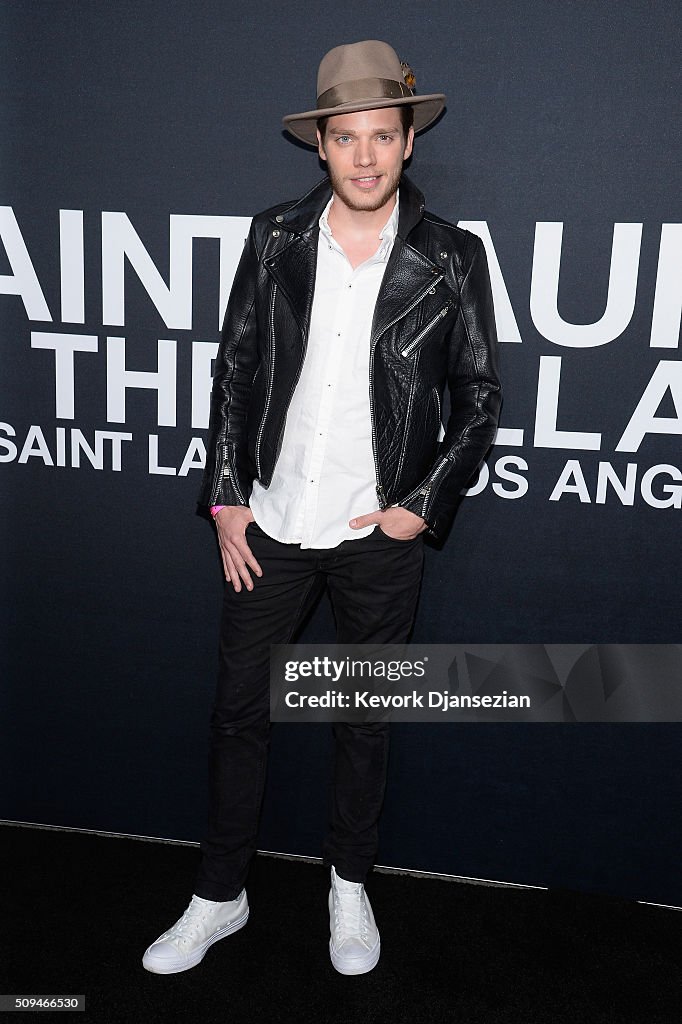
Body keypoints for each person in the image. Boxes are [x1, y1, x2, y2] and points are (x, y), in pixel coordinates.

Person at [143, 39, 501, 977]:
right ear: (322, 147)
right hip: (269, 526)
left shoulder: (451, 257)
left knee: (361, 724)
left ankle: (349, 886)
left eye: (383, 136)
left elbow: (480, 399)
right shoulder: (274, 238)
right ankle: (220, 896)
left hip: (376, 536)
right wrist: (225, 499)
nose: (367, 156)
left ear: (409, 141)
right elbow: (234, 373)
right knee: (236, 717)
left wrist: (418, 506)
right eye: (347, 138)